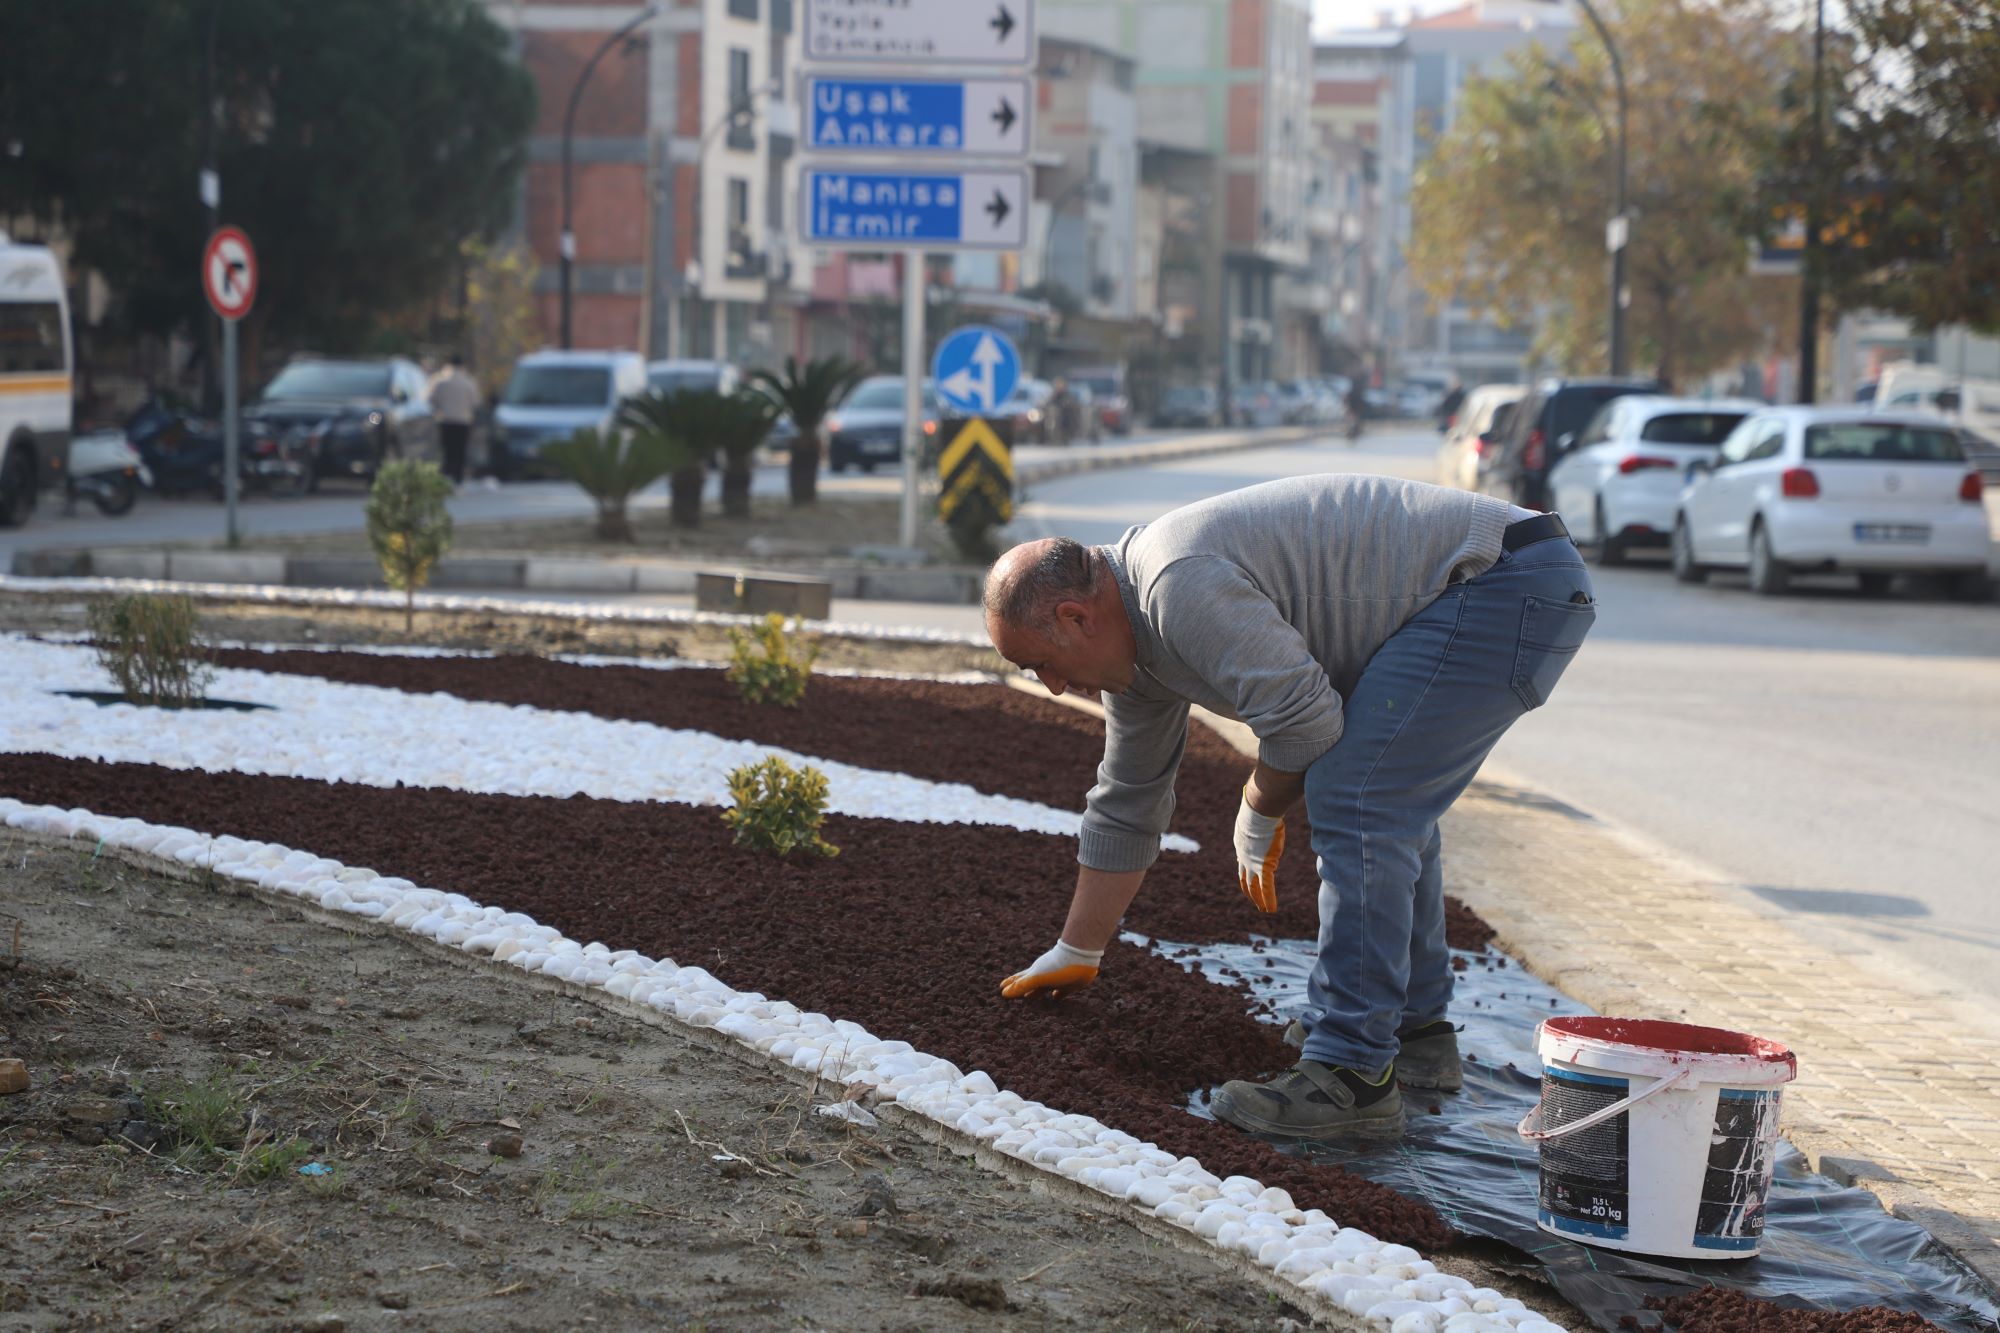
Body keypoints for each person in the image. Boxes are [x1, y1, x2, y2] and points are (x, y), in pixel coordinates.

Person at [984, 475, 1596, 1139]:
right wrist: (1078, 948)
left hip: (1504, 580)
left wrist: (1259, 803)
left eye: (1039, 664)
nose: (1051, 687)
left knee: (1359, 794)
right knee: (1382, 790)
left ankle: (1352, 1074)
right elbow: (1129, 797)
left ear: (1076, 618)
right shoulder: (1135, 652)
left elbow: (1306, 723)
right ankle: (1413, 1032)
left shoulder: (1174, 586)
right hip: (1507, 576)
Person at [428, 353, 480, 484]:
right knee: (460, 450)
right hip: (463, 421)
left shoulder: (440, 381)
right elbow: (475, 402)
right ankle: (458, 477)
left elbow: (431, 399)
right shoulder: (468, 382)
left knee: (447, 450)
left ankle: (447, 474)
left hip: (445, 420)